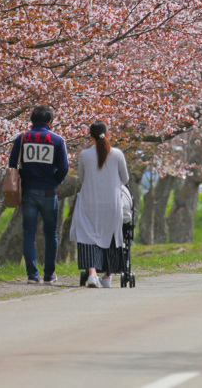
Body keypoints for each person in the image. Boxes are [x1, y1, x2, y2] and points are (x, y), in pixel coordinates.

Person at [8, 105, 70, 284]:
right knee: (51, 234)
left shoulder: (22, 138)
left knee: (29, 233)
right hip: (49, 191)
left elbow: (12, 164)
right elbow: (64, 167)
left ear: (31, 121)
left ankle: (32, 275)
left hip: (28, 191)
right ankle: (49, 274)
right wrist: (55, 181)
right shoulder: (57, 140)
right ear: (50, 122)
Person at [71, 121, 129, 289]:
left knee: (88, 237)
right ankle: (107, 276)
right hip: (112, 204)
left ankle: (92, 274)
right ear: (107, 134)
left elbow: (82, 179)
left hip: (90, 203)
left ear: (91, 136)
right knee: (111, 236)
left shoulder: (84, 155)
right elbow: (125, 179)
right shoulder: (117, 154)